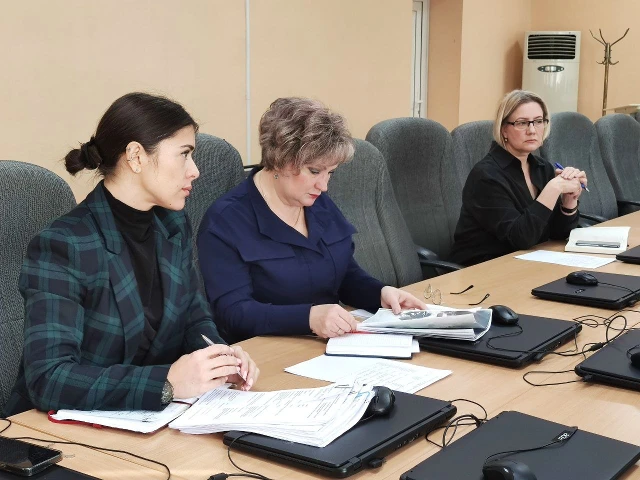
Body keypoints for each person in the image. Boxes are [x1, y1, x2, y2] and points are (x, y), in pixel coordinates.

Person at [4, 92, 259, 417]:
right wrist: (166, 382)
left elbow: (194, 317)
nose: (195, 170)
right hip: (56, 431)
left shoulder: (173, 224)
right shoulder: (63, 245)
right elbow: (48, 379)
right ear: (136, 156)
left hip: (147, 421)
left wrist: (219, 358)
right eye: (184, 154)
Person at [197, 97, 426, 343]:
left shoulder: (317, 203)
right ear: (280, 159)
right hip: (266, 351)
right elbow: (233, 313)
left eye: (330, 172)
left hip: (330, 344)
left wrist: (380, 293)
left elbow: (344, 274)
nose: (324, 186)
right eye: (315, 171)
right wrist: (308, 318)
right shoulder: (226, 221)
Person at [448, 90, 586, 266]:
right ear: (504, 130)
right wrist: (553, 189)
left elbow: (558, 234)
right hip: (484, 269)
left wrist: (569, 200)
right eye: (522, 123)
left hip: (527, 263)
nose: (532, 130)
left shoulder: (542, 167)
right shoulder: (486, 176)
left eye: (538, 121)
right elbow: (521, 238)